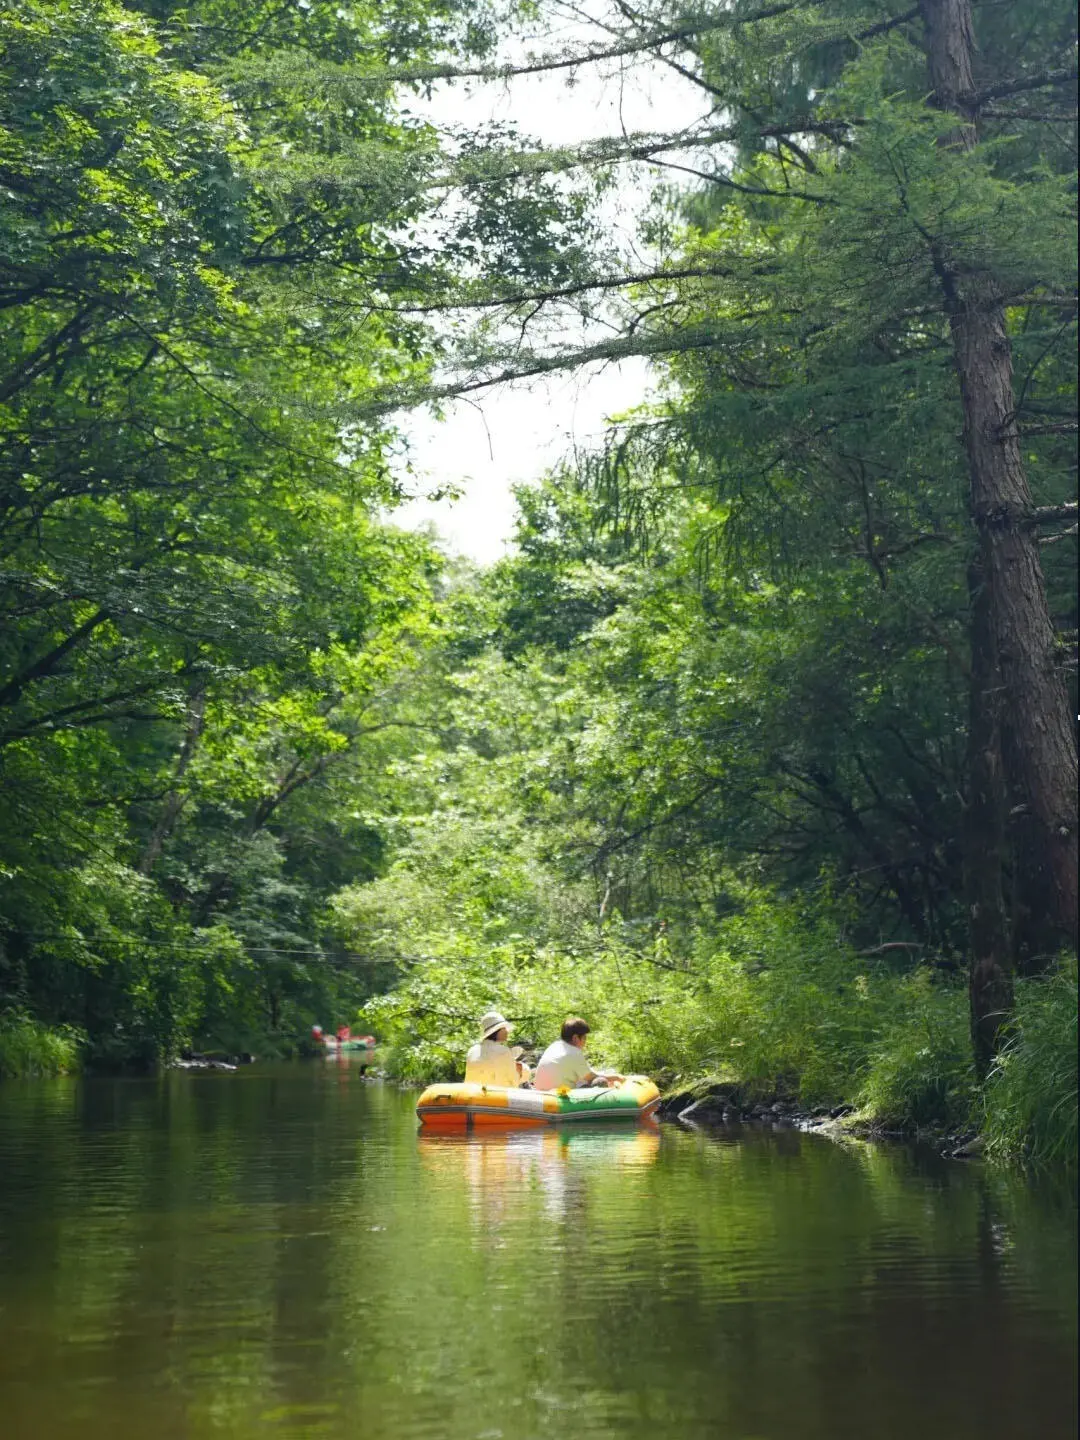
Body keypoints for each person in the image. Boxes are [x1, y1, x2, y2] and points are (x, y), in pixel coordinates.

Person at [533, 1017, 622, 1092]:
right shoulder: (574, 1052)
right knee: (600, 1081)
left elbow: (585, 1072)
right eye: (584, 1038)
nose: (585, 1042)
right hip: (558, 1097)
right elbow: (590, 1077)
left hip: (540, 1093)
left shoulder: (554, 1046)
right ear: (575, 1038)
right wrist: (616, 1077)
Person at [464, 1011, 530, 1088]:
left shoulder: (472, 1050)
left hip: (472, 1095)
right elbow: (512, 1082)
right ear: (496, 1031)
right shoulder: (503, 1051)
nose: (506, 1031)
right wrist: (521, 1071)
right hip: (495, 1096)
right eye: (504, 1028)